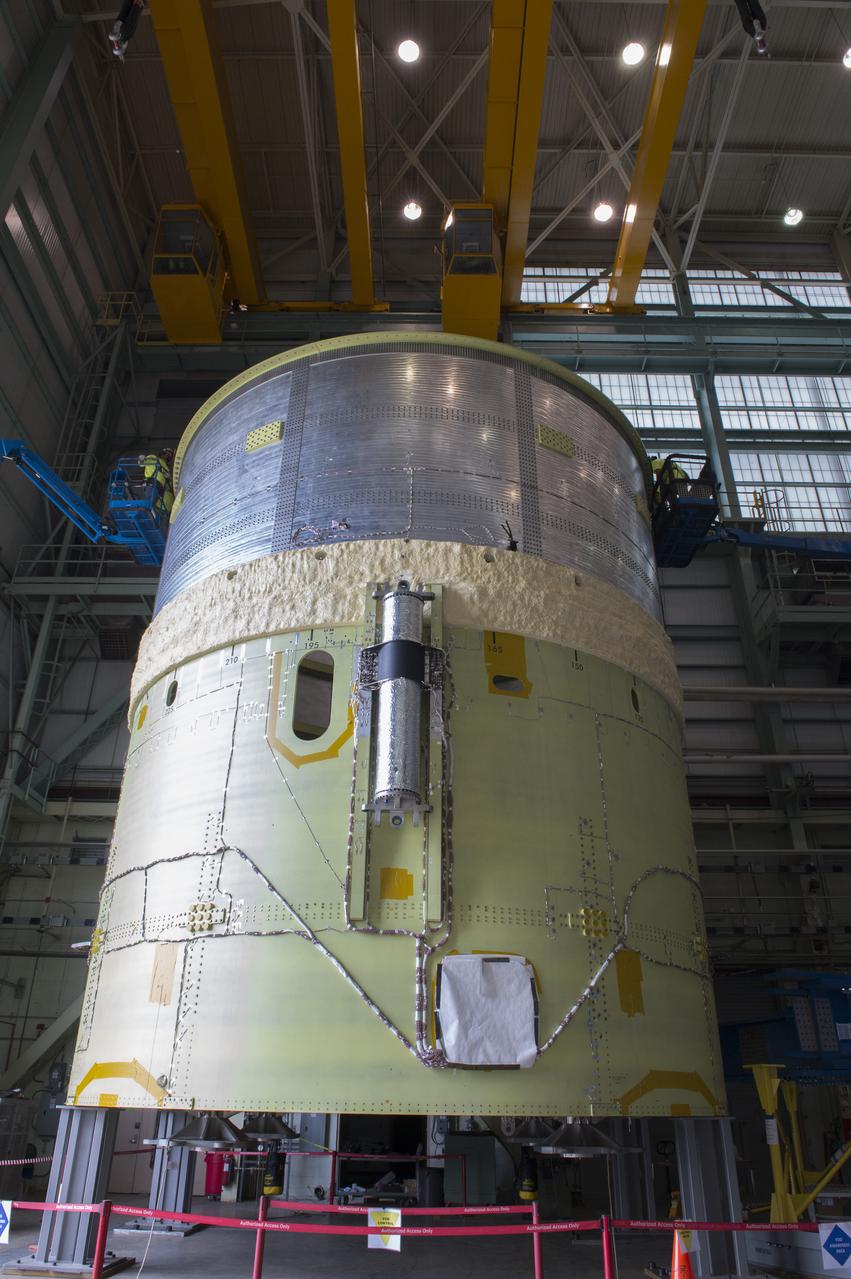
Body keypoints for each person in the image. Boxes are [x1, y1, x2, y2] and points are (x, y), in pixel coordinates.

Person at [138, 448, 174, 518]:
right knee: (149, 502)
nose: (168, 456)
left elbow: (168, 487)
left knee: (160, 506)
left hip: (160, 489)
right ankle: (142, 513)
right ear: (162, 453)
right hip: (152, 483)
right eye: (167, 453)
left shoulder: (167, 469)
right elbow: (142, 463)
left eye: (170, 456)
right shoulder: (153, 458)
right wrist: (141, 459)